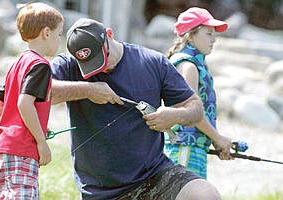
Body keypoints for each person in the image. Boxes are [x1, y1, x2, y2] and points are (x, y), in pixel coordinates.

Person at [50, 18, 223, 200]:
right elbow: (41, 91)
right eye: (90, 65)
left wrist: (173, 116)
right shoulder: (69, 65)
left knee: (205, 194)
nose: (99, 68)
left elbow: (195, 109)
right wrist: (88, 90)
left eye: (102, 59)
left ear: (109, 35)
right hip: (100, 190)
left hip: (154, 175)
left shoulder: (152, 61)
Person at [0, 2, 63, 199]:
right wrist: (41, 141)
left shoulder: (17, 64)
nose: (59, 40)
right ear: (46, 32)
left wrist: (35, 125)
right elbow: (24, 103)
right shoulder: (41, 65)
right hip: (23, 151)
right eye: (59, 34)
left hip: (2, 151)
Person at [164, 7, 232, 179]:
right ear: (191, 35)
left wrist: (216, 142)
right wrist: (218, 138)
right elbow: (190, 113)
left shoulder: (193, 64)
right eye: (209, 34)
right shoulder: (189, 67)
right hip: (184, 148)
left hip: (192, 148)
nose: (214, 40)